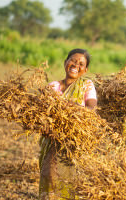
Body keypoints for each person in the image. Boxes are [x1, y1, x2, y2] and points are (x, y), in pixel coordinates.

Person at [39, 48, 97, 199]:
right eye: (72, 60)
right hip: (51, 141)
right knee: (49, 178)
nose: (75, 65)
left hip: (73, 143)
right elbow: (40, 116)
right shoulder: (52, 87)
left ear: (85, 70)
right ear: (65, 62)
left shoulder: (87, 85)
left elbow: (91, 109)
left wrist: (70, 106)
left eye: (81, 64)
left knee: (69, 182)